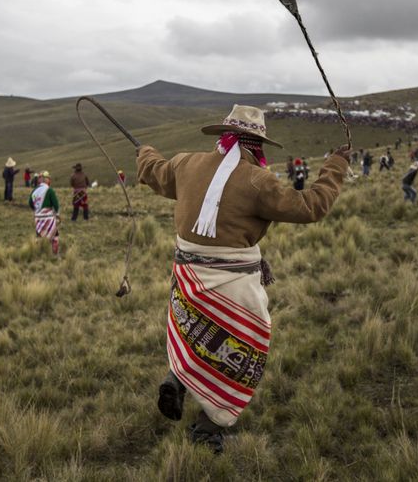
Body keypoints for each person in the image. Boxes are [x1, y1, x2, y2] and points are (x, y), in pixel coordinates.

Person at [136, 104, 349, 454]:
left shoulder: (186, 163)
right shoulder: (259, 181)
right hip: (232, 283)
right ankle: (209, 427)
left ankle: (177, 378)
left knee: (192, 331)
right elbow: (311, 206)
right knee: (241, 349)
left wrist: (144, 151)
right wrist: (336, 165)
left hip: (188, 276)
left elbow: (155, 171)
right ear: (257, 144)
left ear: (223, 136)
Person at [29, 171, 60, 254]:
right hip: (48, 217)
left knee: (39, 235)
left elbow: (30, 204)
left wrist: (37, 211)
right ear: (46, 180)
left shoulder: (33, 191)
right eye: (48, 179)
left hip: (38, 218)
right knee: (54, 235)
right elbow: (56, 204)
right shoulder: (49, 190)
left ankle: (37, 252)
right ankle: (54, 253)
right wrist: (57, 214)